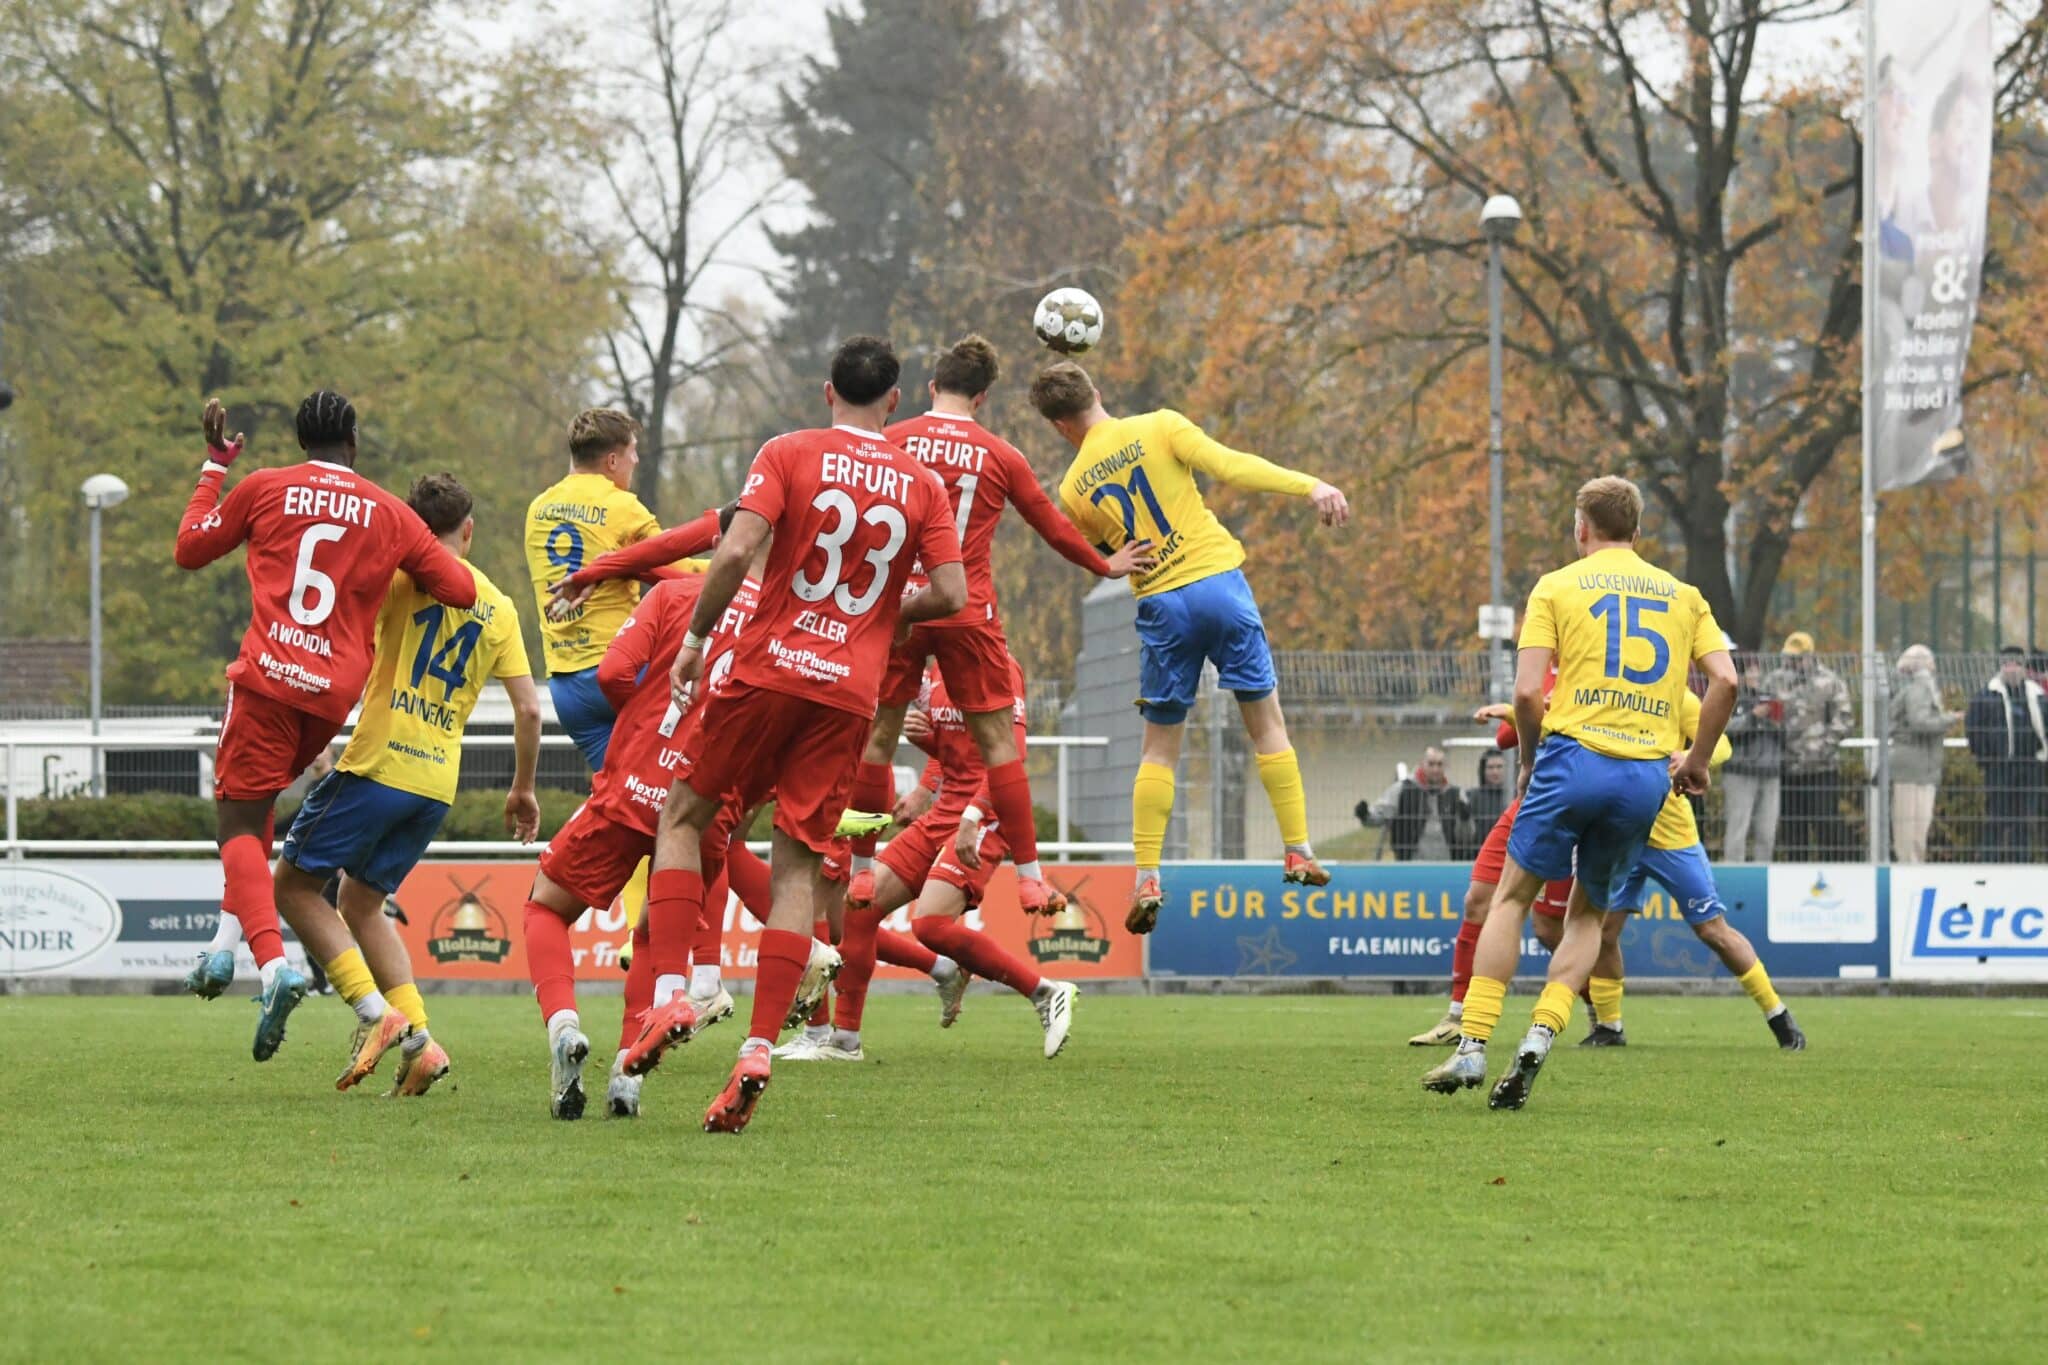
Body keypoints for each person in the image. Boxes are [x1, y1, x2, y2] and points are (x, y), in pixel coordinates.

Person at [623, 334, 967, 1136]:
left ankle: (673, 989)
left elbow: (738, 546)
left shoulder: (787, 450)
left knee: (684, 815)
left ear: (826, 391)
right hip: (847, 691)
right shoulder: (920, 481)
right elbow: (949, 587)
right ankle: (755, 1051)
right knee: (796, 866)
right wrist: (883, 614)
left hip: (765, 669)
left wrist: (697, 637)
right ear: (893, 400)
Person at [173, 393, 478, 1060]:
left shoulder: (265, 486)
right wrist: (395, 564)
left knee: (234, 824)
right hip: (329, 697)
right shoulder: (389, 513)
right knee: (254, 819)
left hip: (268, 679)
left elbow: (190, 549)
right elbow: (459, 588)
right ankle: (223, 951)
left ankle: (276, 967)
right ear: (355, 441)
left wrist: (212, 470)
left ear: (300, 438)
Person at [1421, 475, 1736, 1110]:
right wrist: (1696, 761)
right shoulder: (1684, 595)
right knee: (1588, 916)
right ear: (1639, 532)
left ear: (1580, 528)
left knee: (1511, 898)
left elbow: (1530, 694)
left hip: (1572, 758)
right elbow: (1725, 680)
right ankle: (1540, 1036)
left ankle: (1476, 1040)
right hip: (1645, 773)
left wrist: (1532, 761)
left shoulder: (1557, 586)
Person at [1029, 360, 1350, 931]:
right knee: (1268, 726)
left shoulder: (1073, 487)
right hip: (1220, 585)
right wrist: (1311, 484)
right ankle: (1297, 847)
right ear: (1097, 393)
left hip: (1162, 604)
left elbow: (1111, 547)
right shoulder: (1159, 425)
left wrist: (1110, 563)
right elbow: (1231, 466)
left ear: (1058, 426)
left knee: (1159, 750)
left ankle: (1147, 874)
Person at [847, 336, 1154, 918]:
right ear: (983, 398)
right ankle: (1033, 880)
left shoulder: (890, 441)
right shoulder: (999, 453)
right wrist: (1103, 562)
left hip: (898, 610)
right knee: (998, 748)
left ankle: (863, 873)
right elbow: (1051, 524)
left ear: (932, 387)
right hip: (966, 610)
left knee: (879, 739)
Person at [271, 474, 540, 1095]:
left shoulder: (395, 579)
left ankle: (375, 1014)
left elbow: (339, 644)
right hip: (435, 784)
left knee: (291, 885)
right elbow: (529, 710)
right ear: (467, 531)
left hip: (377, 765)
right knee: (360, 903)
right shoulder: (498, 607)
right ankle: (420, 1042)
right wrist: (522, 788)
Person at [795, 657, 1077, 1062]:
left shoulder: (994, 664)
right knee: (860, 905)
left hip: (986, 812)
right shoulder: (933, 672)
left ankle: (1046, 992)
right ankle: (845, 1042)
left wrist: (974, 814)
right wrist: (927, 763)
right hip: (944, 809)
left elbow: (1010, 754)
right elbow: (955, 752)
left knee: (929, 924)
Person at [1579, 689, 1806, 1051]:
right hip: (1621, 834)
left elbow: (1723, 745)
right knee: (1604, 932)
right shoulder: (1605, 690)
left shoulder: (1675, 696)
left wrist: (1691, 756)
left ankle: (1778, 1016)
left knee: (1712, 930)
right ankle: (1609, 1027)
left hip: (1672, 837)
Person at [524, 409, 669, 770]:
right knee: (688, 788)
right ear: (612, 460)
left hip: (565, 686)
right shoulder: (623, 507)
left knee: (624, 802)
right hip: (621, 670)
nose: (636, 460)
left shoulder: (538, 508)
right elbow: (679, 569)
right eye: (633, 451)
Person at [1763, 632, 1854, 860]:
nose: (1792, 663)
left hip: (1821, 768)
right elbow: (1764, 714)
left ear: (1810, 657)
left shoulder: (1830, 681)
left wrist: (1824, 748)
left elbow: (1844, 718)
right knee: (1793, 829)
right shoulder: (1774, 680)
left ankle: (1832, 870)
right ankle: (1795, 874)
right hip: (1787, 768)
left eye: (1797, 658)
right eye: (1788, 658)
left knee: (1825, 823)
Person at [1965, 645, 2047, 863]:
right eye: (2007, 664)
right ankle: (1989, 862)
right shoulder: (1986, 695)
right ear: (2001, 666)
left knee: (2024, 820)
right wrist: (1987, 760)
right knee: (1997, 818)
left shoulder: (2036, 695)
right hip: (1999, 767)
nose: (2011, 669)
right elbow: (1974, 729)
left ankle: (2021, 862)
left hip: (2030, 767)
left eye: (2016, 664)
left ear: (2023, 667)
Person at [1888, 644, 1955, 863]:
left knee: (1915, 826)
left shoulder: (1915, 687)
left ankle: (1912, 866)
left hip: (1921, 765)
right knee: (1910, 827)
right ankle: (1909, 870)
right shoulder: (1920, 688)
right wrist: (1949, 719)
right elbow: (1920, 722)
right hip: (1913, 767)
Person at [1721, 650, 1785, 863]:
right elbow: (1724, 727)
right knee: (1738, 827)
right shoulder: (1731, 696)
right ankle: (1733, 872)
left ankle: (1763, 872)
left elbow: (1786, 734)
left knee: (1767, 831)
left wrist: (1777, 722)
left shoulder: (1772, 698)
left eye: (1758, 671)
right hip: (1740, 771)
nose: (1755, 676)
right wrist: (1752, 717)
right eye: (1750, 671)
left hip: (1769, 771)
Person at [1355, 747, 1465, 861]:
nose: (1435, 769)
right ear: (1422, 764)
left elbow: (1466, 836)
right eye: (1431, 764)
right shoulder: (1403, 790)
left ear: (1446, 766)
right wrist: (1365, 815)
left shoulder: (1455, 794)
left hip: (1446, 864)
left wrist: (1465, 819)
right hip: (1410, 863)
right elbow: (1382, 814)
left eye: (1439, 764)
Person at [1458, 750, 1511, 862]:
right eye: (1490, 767)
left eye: (1499, 767)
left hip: (1508, 858)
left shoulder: (1513, 796)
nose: (1495, 772)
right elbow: (1463, 836)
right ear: (1483, 770)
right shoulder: (1472, 796)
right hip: (1478, 857)